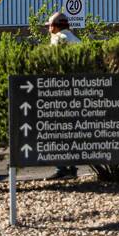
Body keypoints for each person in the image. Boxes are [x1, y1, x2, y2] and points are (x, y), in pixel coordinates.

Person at [47, 11, 80, 180]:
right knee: (72, 132)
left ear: (56, 26)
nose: (48, 29)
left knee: (56, 132)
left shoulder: (58, 39)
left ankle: (62, 168)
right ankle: (73, 168)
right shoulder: (76, 40)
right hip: (77, 92)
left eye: (50, 26)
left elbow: (52, 64)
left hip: (60, 92)